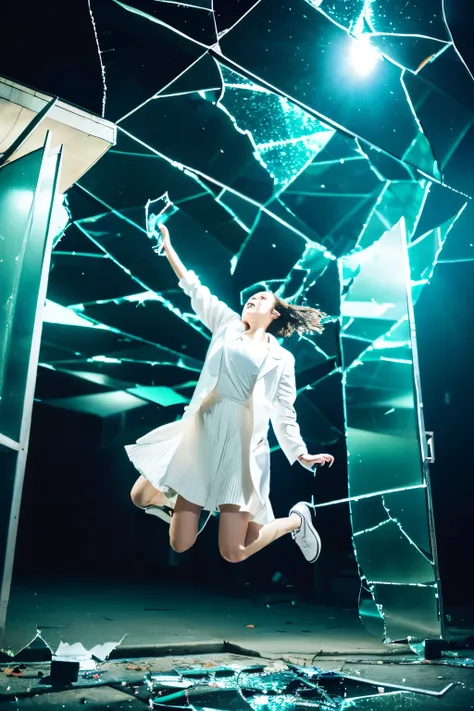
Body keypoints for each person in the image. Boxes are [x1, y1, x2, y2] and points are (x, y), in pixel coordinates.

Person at [126, 224, 334, 565]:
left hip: (240, 447)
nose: (255, 297)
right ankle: (185, 500)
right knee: (177, 542)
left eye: (264, 298)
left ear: (275, 313)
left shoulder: (281, 358)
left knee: (233, 552)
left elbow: (284, 411)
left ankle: (297, 521)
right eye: (253, 296)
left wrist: (300, 454)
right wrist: (169, 247)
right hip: (203, 431)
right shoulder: (226, 326)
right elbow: (195, 289)